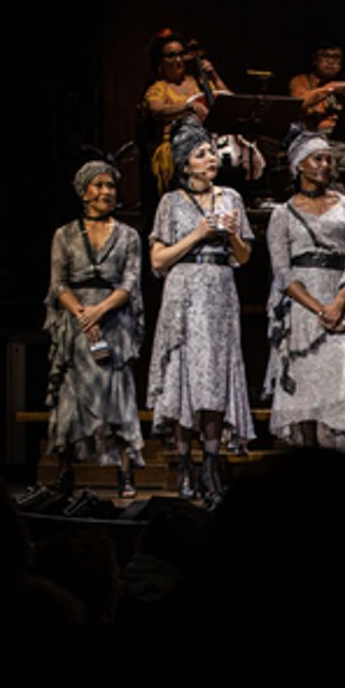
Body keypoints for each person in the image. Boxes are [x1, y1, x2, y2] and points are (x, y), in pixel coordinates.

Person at [148, 117, 256, 504]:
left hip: (219, 290)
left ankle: (212, 462)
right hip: (183, 291)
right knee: (183, 376)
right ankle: (184, 465)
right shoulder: (171, 202)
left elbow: (244, 257)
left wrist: (228, 234)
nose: (210, 158)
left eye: (212, 151)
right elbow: (158, 261)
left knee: (214, 374)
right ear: (185, 163)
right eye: (201, 153)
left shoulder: (231, 198)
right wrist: (197, 233)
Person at [264, 126, 345, 452]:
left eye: (328, 159)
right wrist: (316, 307)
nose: (325, 165)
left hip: (340, 301)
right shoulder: (282, 214)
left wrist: (338, 302)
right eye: (317, 159)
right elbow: (282, 271)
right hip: (302, 307)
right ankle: (309, 465)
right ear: (299, 165)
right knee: (307, 390)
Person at [44, 158, 145, 497]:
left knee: (118, 394)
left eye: (110, 186)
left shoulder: (128, 235)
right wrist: (81, 315)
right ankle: (66, 471)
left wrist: (99, 312)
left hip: (113, 319)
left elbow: (130, 283)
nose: (106, 192)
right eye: (99, 185)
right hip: (77, 320)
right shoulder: (64, 235)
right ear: (84, 191)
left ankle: (125, 473)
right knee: (71, 394)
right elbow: (59, 284)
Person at [142, 28, 229, 193]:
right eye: (171, 56)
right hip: (175, 150)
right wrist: (188, 106)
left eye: (181, 54)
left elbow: (228, 101)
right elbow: (156, 109)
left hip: (205, 148)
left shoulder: (197, 82)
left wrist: (214, 76)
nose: (178, 60)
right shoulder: (159, 88)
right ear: (160, 62)